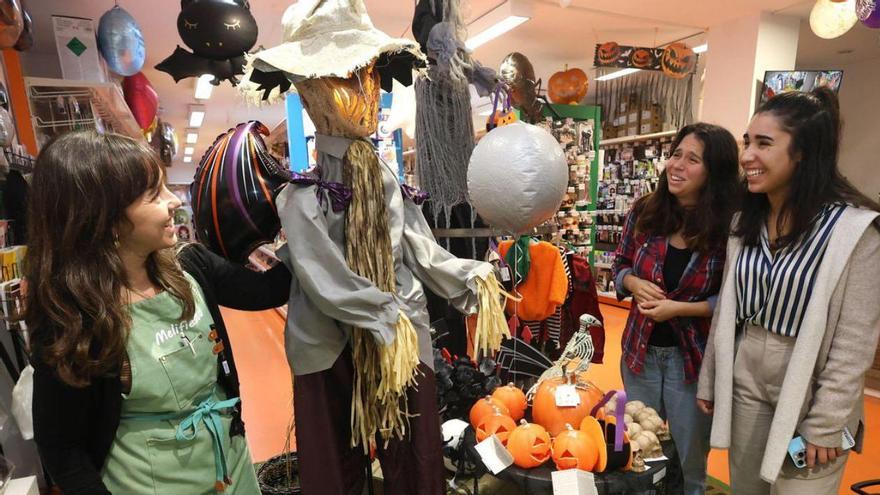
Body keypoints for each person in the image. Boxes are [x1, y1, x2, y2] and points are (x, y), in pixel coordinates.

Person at [27, 130, 291, 494]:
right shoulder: (74, 318)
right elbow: (62, 449)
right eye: (153, 194)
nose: (172, 202)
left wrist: (303, 217)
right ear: (103, 218)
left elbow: (271, 289)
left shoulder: (190, 265)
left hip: (231, 469)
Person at [696, 88, 880, 494]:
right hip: (748, 368)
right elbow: (729, 306)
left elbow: (854, 343)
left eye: (764, 143)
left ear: (803, 153)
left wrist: (826, 424)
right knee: (747, 484)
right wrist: (711, 376)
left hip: (811, 377)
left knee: (800, 486)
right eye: (748, 142)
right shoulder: (745, 223)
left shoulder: (854, 232)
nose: (747, 156)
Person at [613, 122, 741, 495]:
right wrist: (633, 283)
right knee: (639, 453)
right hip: (640, 353)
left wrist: (681, 308)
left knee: (689, 463)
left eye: (692, 159)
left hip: (694, 362)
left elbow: (736, 298)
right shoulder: (645, 212)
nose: (677, 166)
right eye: (675, 155)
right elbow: (620, 266)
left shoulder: (730, 227)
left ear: (714, 171)